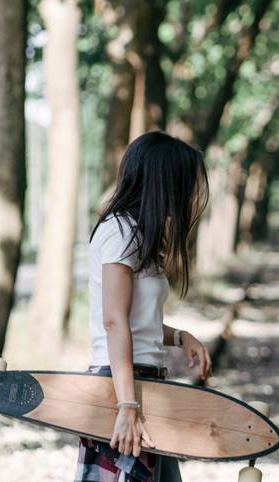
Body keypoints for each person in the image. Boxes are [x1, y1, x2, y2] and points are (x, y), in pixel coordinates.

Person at [75, 131, 213, 482]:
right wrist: (126, 407)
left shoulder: (139, 234)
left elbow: (139, 321)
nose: (189, 194)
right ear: (164, 181)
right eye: (185, 184)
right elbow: (114, 321)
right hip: (120, 387)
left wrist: (180, 337)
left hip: (144, 386)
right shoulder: (120, 231)